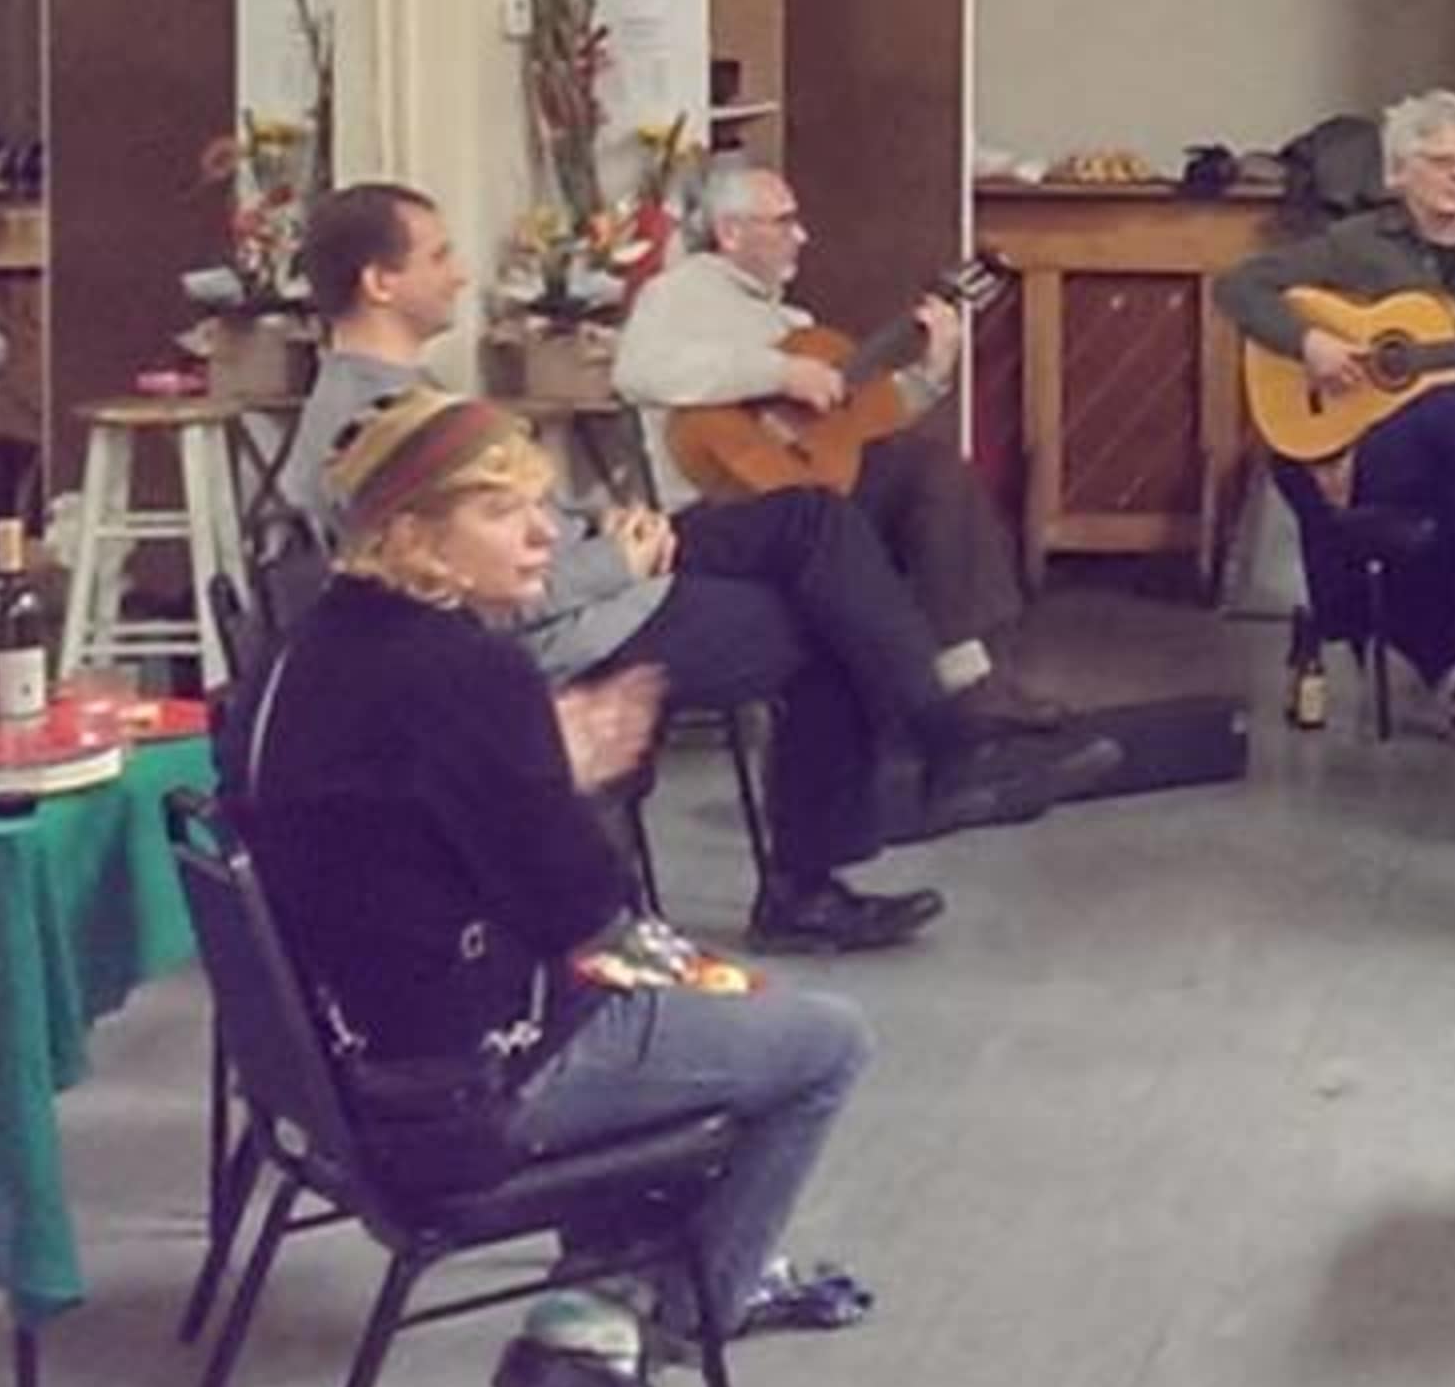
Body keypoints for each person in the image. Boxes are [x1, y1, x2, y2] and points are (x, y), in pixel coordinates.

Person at [248, 392, 875, 1387]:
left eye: (539, 507)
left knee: (703, 1013)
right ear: (413, 531)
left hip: (342, 1080)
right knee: (819, 1041)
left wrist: (529, 770)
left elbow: (416, 839)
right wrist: (567, 774)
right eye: (504, 511)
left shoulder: (309, 651)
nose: (546, 534)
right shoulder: (466, 674)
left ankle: (594, 1320)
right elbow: (583, 914)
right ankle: (648, 1319)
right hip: (458, 1099)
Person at [290, 185, 1112, 953]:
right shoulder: (374, 421)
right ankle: (854, 835)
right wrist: (612, 558)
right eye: (437, 256)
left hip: (601, 567)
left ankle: (935, 752)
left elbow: (499, 526)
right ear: (380, 282)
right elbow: (463, 597)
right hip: (580, 619)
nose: (459, 271)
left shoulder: (394, 393)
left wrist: (597, 520)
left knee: (815, 522)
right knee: (825, 613)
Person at [612, 160, 1045, 713]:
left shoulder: (794, 322)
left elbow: (857, 424)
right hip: (716, 511)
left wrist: (930, 373)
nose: (802, 235)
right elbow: (636, 371)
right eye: (784, 221)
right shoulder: (677, 295)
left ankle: (967, 677)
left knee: (927, 472)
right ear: (730, 231)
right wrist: (780, 374)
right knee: (914, 478)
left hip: (799, 494)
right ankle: (953, 696)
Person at [1216, 89, 1455, 744]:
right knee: (1443, 402)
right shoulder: (1356, 245)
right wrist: (1310, 344)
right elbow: (1238, 287)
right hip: (1375, 454)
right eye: (1440, 162)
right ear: (1400, 172)